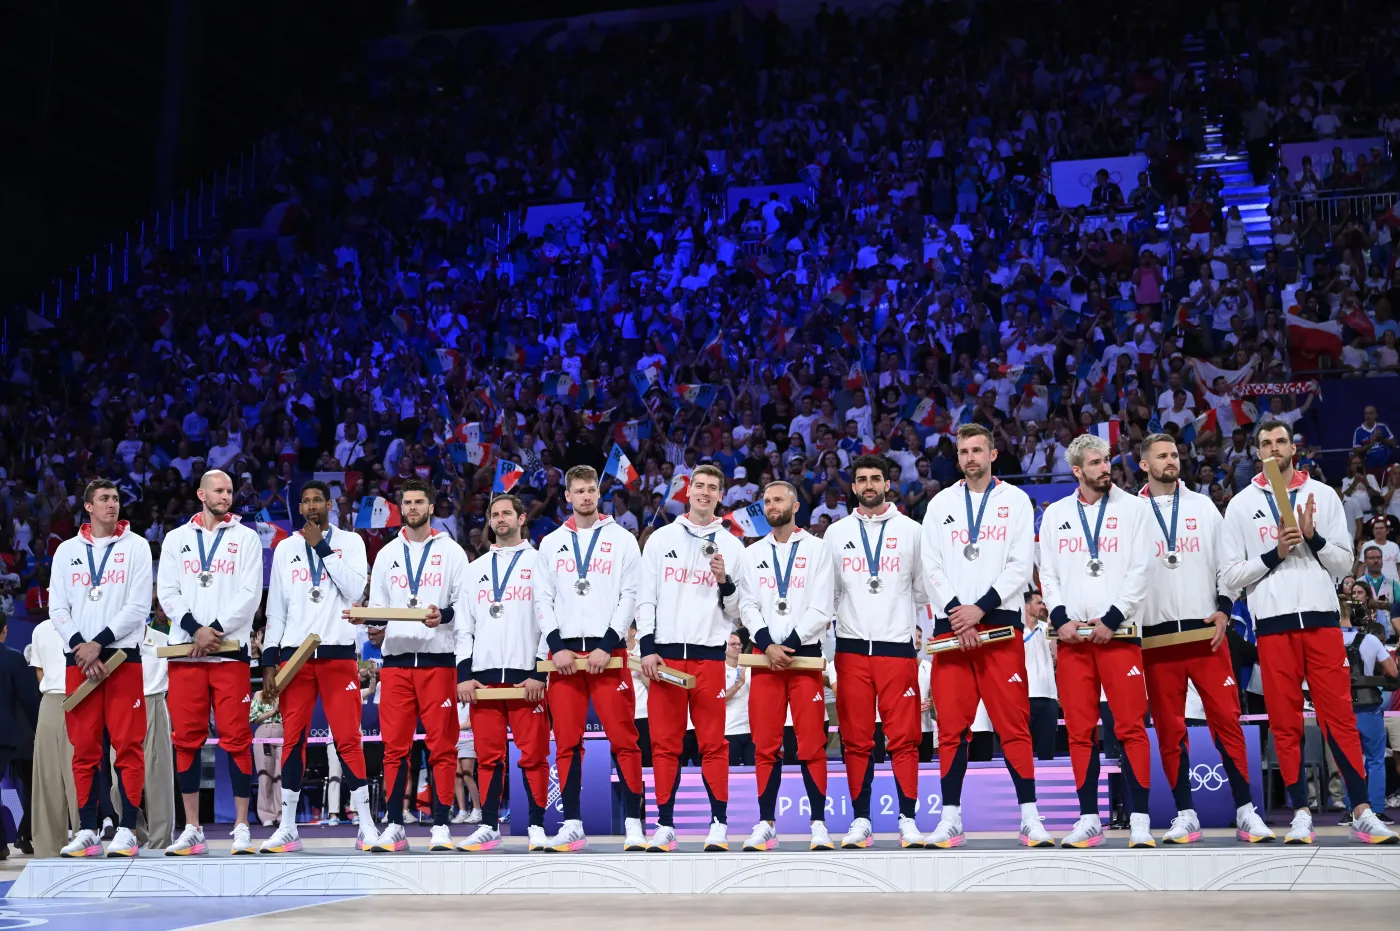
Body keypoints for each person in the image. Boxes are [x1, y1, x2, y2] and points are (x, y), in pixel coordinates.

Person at [1220, 421, 1399, 844]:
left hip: (1321, 622)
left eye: (1280, 441)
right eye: (1265, 443)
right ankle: (1300, 811)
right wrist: (1275, 552)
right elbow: (1230, 576)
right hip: (1274, 625)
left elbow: (1342, 563)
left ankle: (1361, 809)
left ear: (1293, 448)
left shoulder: (1323, 495)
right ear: (1256, 451)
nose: (1273, 448)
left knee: (1339, 716)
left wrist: (1313, 538)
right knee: (1284, 722)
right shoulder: (1242, 505)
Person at [1135, 434, 1274, 843]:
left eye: (1174, 454)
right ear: (1144, 464)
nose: (1170, 461)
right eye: (1161, 456)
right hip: (1156, 641)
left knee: (1227, 721)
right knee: (1169, 728)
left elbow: (1226, 565)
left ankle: (1247, 810)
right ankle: (1185, 812)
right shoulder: (1130, 512)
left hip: (1206, 633)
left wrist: (1226, 607)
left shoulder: (1202, 506)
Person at [918, 424, 1050, 848]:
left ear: (993, 454)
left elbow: (1019, 563)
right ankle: (951, 818)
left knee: (1013, 724)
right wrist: (961, 613)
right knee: (952, 728)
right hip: (952, 630)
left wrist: (981, 609)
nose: (970, 457)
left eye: (977, 450)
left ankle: (1030, 817)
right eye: (963, 451)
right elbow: (931, 566)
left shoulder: (1015, 500)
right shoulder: (940, 503)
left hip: (999, 624)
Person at [1038, 435, 1156, 849]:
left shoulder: (1135, 509)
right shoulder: (1056, 515)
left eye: (1106, 461)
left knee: (1130, 728)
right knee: (1079, 731)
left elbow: (1142, 569)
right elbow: (1047, 573)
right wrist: (1059, 618)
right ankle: (1089, 817)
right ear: (1077, 471)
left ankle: (1140, 819)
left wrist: (1113, 616)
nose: (1105, 468)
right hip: (1074, 641)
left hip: (1119, 636)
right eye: (1095, 463)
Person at [635, 463, 757, 852]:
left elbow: (739, 609)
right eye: (699, 486)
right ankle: (665, 825)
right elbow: (646, 598)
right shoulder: (659, 539)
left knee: (713, 744)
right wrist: (648, 649)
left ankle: (719, 824)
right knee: (665, 744)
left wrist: (725, 581)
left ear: (721, 495)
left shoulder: (733, 546)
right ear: (688, 492)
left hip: (708, 657)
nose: (704, 493)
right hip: (667, 657)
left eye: (712, 488)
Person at [353, 479, 471, 852]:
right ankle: (394, 823)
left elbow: (462, 608)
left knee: (442, 746)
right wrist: (375, 629)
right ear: (401, 508)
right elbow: (381, 609)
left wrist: (444, 615)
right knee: (394, 747)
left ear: (431, 507)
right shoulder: (387, 554)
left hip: (438, 660)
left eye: (420, 501)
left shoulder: (452, 552)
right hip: (397, 660)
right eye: (407, 502)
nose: (413, 507)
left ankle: (440, 823)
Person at [533, 465, 645, 852]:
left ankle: (634, 824)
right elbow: (541, 600)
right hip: (563, 656)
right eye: (578, 490)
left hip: (607, 653)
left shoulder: (623, 540)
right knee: (565, 742)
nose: (585, 496)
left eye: (591, 490)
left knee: (624, 739)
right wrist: (556, 645)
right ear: (567, 495)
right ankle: (573, 823)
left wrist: (608, 642)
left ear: (600, 493)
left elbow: (629, 595)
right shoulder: (549, 543)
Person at [260, 480, 376, 853]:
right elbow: (276, 610)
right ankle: (289, 827)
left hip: (337, 654)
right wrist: (269, 662)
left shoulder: (351, 542)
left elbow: (355, 592)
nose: (311, 507)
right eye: (305, 501)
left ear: (329, 505)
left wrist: (321, 546)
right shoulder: (285, 549)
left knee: (348, 739)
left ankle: (366, 825)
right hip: (294, 659)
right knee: (293, 740)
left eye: (317, 501)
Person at [824, 454, 930, 849]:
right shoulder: (835, 533)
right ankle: (861, 821)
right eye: (862, 479)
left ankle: (908, 820)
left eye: (876, 478)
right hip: (850, 650)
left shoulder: (912, 531)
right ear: (852, 487)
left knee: (905, 738)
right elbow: (828, 594)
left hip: (896, 648)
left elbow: (922, 591)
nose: (869, 485)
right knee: (855, 739)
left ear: (888, 483)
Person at [157, 469, 264, 856]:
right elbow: (166, 591)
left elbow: (251, 594)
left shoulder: (247, 538)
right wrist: (192, 628)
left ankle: (240, 827)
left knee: (237, 739)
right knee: (186, 741)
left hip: (229, 652)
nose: (226, 496)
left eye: (230, 491)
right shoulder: (176, 539)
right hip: (186, 652)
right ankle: (192, 828)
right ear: (200, 494)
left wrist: (213, 630)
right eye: (218, 490)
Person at [48, 479, 153, 858]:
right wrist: (81, 645)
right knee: (84, 749)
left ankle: (126, 829)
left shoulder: (137, 547)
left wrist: (99, 644)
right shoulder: (66, 551)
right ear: (88, 507)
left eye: (116, 499)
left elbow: (139, 607)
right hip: (79, 660)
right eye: (105, 499)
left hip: (122, 659)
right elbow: (56, 607)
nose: (113, 504)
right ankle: (88, 830)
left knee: (128, 746)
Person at [738, 480, 837, 852]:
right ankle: (765, 824)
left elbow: (821, 606)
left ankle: (818, 825)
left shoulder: (816, 549)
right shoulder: (752, 553)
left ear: (795, 506)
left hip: (804, 658)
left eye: (778, 499)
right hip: (764, 661)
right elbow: (746, 605)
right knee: (765, 745)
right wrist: (767, 643)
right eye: (766, 500)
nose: (771, 504)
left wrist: (788, 645)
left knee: (811, 745)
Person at [455, 494, 550, 852]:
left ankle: (537, 826)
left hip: (527, 676)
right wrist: (464, 673)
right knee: (488, 754)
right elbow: (464, 627)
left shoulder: (541, 562)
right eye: (494, 515)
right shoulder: (475, 568)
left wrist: (540, 672)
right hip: (484, 678)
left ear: (522, 517)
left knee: (533, 755)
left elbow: (548, 622)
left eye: (507, 513)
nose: (500, 519)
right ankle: (488, 824)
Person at [1339, 605, 1398, 820]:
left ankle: (1351, 811)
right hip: (1367, 707)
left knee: (1347, 758)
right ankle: (1376, 811)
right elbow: (1393, 672)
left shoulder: (1326, 640)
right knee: (1375, 759)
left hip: (1339, 708)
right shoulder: (1371, 640)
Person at [27, 617, 79, 858]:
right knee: (47, 776)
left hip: (81, 698)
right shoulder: (41, 629)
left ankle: (84, 837)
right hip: (50, 700)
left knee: (79, 775)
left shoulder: (87, 622)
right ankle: (47, 847)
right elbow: (40, 671)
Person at [0, 616, 39, 859]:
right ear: (4, 630)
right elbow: (30, 701)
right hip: (12, 736)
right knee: (34, 785)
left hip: (13, 737)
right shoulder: (14, 659)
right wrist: (39, 730)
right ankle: (23, 834)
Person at [136, 622, 175, 849]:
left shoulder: (163, 639)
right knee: (116, 783)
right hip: (123, 706)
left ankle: (160, 842)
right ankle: (138, 833)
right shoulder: (116, 640)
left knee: (157, 779)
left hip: (154, 702)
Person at [1022, 592, 1059, 761]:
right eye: (1039, 603)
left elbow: (1057, 656)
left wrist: (1053, 625)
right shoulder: (1013, 631)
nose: (1043, 606)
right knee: (1022, 752)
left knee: (1047, 753)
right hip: (1022, 698)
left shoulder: (1047, 629)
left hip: (1048, 697)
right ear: (1027, 606)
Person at [723, 633, 753, 765]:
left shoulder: (749, 668)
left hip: (750, 731)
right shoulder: (719, 670)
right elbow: (719, 699)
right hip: (729, 731)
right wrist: (738, 684)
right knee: (731, 774)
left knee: (753, 773)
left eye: (739, 644)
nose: (737, 647)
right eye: (732, 644)